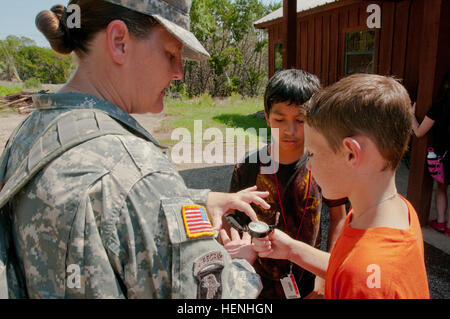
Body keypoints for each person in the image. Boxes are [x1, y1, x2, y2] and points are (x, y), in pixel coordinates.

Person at [0, 0, 271, 298]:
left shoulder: (31, 132)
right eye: (171, 53)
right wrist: (240, 268)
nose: (179, 71)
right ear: (119, 42)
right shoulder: (136, 168)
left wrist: (196, 200)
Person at [253, 74, 430, 299]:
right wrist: (291, 250)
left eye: (313, 153)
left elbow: (357, 273)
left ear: (350, 154)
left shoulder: (365, 285)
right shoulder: (393, 210)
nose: (308, 165)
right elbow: (346, 264)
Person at [220, 69, 348, 299]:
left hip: (309, 280)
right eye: (280, 120)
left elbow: (339, 217)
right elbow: (230, 220)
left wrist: (325, 275)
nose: (290, 131)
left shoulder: (322, 165)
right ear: (267, 117)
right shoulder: (248, 167)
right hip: (255, 283)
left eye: (300, 120)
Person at [411, 72, 450, 237]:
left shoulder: (439, 105)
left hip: (444, 156)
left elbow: (419, 132)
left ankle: (441, 222)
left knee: (441, 188)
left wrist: (410, 115)